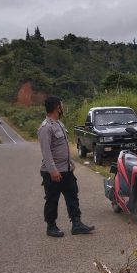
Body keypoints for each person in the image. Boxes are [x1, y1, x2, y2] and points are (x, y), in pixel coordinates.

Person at [38, 96, 95, 237]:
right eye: (62, 105)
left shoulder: (59, 124)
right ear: (57, 107)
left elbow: (63, 147)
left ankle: (77, 224)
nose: (63, 108)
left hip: (66, 170)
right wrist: (53, 171)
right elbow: (47, 152)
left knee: (72, 196)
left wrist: (71, 163)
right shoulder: (46, 128)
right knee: (52, 200)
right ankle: (51, 227)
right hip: (53, 172)